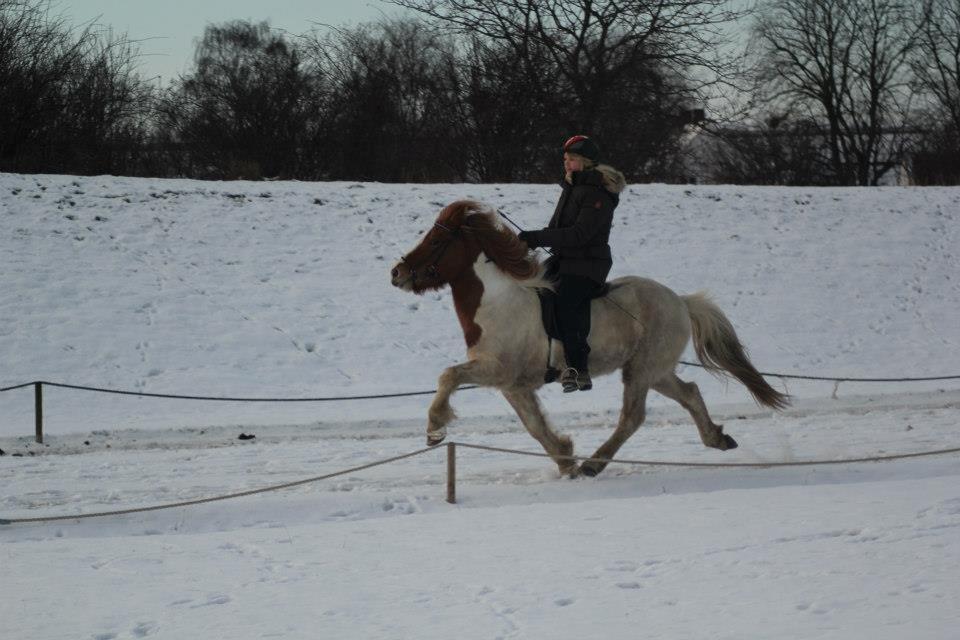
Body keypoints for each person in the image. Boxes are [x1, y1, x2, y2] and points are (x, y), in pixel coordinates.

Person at [518, 135, 626, 392]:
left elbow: (579, 235)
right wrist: (529, 240)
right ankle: (544, 360)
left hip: (588, 265)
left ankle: (578, 369)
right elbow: (557, 229)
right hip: (565, 261)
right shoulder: (571, 188)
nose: (567, 164)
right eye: (565, 159)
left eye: (573, 160)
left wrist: (537, 237)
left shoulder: (598, 194)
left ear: (587, 162)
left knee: (566, 302)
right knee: (532, 292)